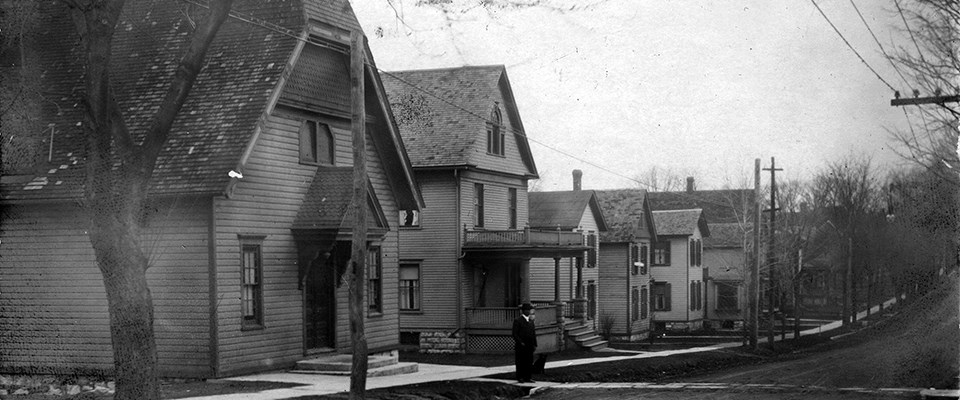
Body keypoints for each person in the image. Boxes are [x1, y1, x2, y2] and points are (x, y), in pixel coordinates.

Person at [512, 302, 537, 383]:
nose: (528, 312)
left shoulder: (531, 321)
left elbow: (533, 333)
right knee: (520, 362)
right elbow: (514, 334)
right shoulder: (518, 321)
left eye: (529, 310)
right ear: (523, 311)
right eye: (526, 310)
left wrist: (534, 344)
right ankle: (520, 377)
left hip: (529, 345)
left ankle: (528, 377)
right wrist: (520, 342)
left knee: (529, 361)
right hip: (521, 346)